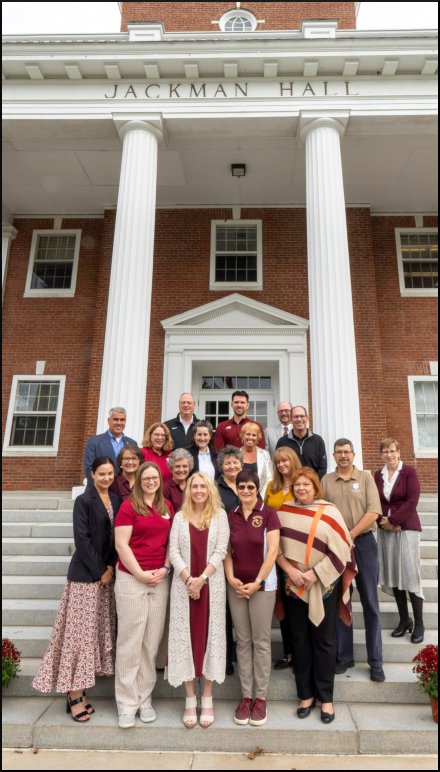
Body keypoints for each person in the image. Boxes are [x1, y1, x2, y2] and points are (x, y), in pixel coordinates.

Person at [33, 457, 119, 721]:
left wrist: (111, 566)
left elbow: (117, 538)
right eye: (101, 474)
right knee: (78, 638)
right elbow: (81, 540)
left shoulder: (116, 500)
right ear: (91, 474)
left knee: (92, 636)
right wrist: (100, 570)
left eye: (110, 473)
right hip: (86, 577)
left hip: (107, 576)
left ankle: (81, 690)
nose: (106, 478)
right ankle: (73, 694)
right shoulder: (84, 501)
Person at [277, 467, 356, 724]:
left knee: (324, 643)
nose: (301, 488)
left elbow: (342, 550)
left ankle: (326, 699)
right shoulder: (284, 512)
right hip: (293, 587)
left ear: (315, 488)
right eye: (298, 484)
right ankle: (306, 695)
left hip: (324, 586)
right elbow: (275, 549)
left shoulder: (330, 512)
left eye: (306, 485)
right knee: (299, 641)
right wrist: (291, 571)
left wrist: (315, 574)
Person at [114, 462, 173, 728]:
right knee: (130, 643)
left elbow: (172, 543)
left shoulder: (167, 508)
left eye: (155, 478)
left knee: (151, 643)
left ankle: (144, 699)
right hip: (132, 579)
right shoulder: (129, 506)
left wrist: (165, 568)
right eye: (146, 478)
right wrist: (139, 573)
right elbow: (121, 544)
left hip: (159, 580)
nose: (151, 482)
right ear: (138, 480)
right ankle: (126, 704)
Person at [168, 472, 229, 728]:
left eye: (203, 486)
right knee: (186, 640)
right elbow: (172, 551)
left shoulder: (220, 516)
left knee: (209, 639)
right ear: (189, 490)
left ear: (210, 489)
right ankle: (190, 699)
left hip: (211, 586)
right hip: (184, 588)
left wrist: (201, 579)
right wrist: (188, 579)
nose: (199, 490)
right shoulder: (179, 517)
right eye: (195, 486)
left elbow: (221, 550)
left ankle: (208, 698)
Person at [322, 438, 385, 682]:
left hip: (364, 543)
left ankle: (376, 662)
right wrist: (339, 538)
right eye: (339, 452)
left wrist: (351, 534)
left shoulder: (366, 477)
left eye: (347, 452)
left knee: (370, 602)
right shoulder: (326, 481)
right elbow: (322, 510)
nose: (343, 456)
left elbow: (374, 511)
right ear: (334, 455)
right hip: (337, 546)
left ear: (354, 454)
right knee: (340, 601)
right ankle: (344, 656)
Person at [224, 469, 280, 727]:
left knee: (261, 641)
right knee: (243, 641)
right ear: (236, 489)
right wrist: (231, 578)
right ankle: (246, 697)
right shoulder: (230, 515)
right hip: (237, 586)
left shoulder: (268, 513)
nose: (246, 491)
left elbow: (272, 553)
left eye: (250, 487)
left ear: (257, 489)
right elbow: (226, 552)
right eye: (241, 487)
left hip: (262, 586)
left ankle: (261, 697)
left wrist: (257, 582)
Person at [374, 438, 424, 644]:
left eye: (392, 450)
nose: (389, 454)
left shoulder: (408, 472)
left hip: (407, 528)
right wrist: (382, 522)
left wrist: (394, 520)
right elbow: (373, 501)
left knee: (410, 575)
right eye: (385, 451)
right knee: (395, 575)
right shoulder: (378, 475)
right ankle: (404, 620)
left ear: (399, 451)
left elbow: (413, 500)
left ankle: (419, 623)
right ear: (381, 454)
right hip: (386, 531)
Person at [264, 446, 302, 670]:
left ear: (293, 461)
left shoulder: (303, 482)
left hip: (297, 549)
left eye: (285, 461)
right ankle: (289, 652)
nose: (281, 465)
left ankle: (301, 652)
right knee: (283, 602)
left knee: (297, 602)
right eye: (278, 462)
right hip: (275, 549)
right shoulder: (272, 486)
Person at [216, 445, 244, 676]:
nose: (232, 466)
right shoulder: (216, 488)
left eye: (235, 462)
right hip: (222, 551)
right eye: (228, 463)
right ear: (221, 466)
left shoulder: (247, 484)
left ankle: (240, 652)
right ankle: (224, 658)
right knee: (223, 609)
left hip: (246, 553)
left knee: (241, 607)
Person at [84, 407, 137, 487]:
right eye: (115, 419)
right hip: (99, 491)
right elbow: (89, 469)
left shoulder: (132, 444)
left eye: (122, 420)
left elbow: (135, 469)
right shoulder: (94, 442)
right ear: (108, 421)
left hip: (124, 491)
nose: (119, 423)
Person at [276, 405, 327, 479]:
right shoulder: (282, 442)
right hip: (290, 486)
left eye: (302, 416)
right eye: (296, 417)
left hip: (312, 487)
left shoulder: (318, 440)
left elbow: (323, 467)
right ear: (291, 420)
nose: (299, 419)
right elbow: (278, 465)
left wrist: (314, 485)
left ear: (307, 418)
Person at [240, 422, 273, 499]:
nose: (250, 437)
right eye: (248, 434)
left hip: (260, 498)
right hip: (239, 497)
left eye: (254, 435)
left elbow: (269, 478)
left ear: (258, 438)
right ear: (242, 436)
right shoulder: (236, 454)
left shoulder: (265, 454)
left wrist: (260, 497)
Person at [164, 448, 194, 513]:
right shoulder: (165, 489)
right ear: (171, 468)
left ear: (190, 467)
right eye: (177, 466)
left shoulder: (192, 486)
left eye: (184, 466)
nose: (181, 470)